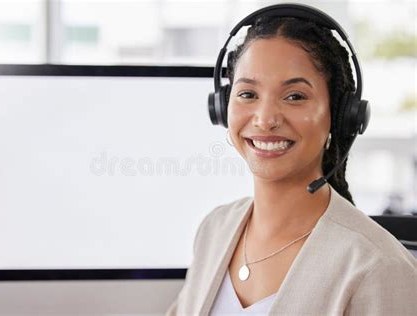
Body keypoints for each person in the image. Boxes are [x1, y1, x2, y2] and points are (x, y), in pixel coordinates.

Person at [166, 4, 416, 316]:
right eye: (247, 94)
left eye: (295, 96)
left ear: (338, 117)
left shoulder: (377, 266)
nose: (266, 119)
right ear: (221, 108)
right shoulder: (215, 229)